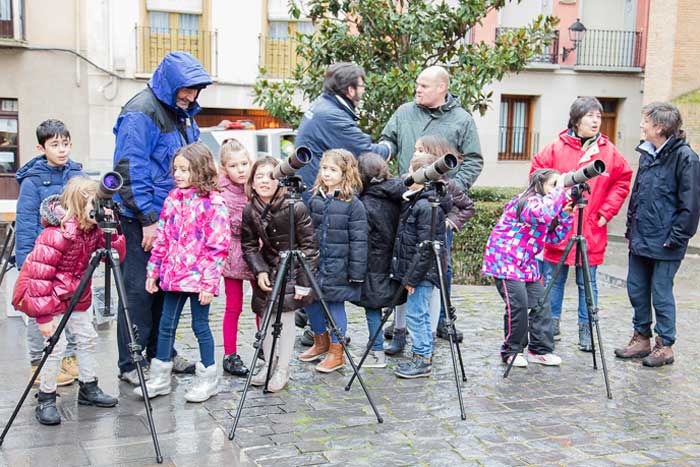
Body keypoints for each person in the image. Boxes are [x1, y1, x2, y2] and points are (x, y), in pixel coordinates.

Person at [113, 51, 212, 384]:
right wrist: (148, 218)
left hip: (172, 216)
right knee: (140, 290)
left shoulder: (182, 114)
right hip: (144, 218)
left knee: (165, 287)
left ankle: (160, 353)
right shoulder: (141, 111)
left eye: (196, 90)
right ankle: (132, 361)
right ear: (171, 85)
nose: (191, 96)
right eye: (187, 89)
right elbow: (130, 169)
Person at [380, 65, 483, 341]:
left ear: (442, 88)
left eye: (424, 85)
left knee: (439, 268)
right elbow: (387, 140)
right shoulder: (404, 112)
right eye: (417, 84)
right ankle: (402, 323)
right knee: (402, 262)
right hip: (406, 201)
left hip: (437, 207)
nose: (418, 89)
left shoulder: (461, 119)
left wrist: (449, 192)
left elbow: (474, 159)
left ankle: (442, 320)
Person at [12, 177, 126, 425]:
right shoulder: (55, 235)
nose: (98, 209)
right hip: (52, 299)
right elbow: (40, 277)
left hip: (78, 296)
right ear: (79, 205)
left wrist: (112, 231)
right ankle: (46, 397)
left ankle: (89, 386)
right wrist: (43, 318)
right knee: (55, 347)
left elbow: (115, 256)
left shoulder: (94, 231)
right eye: (94, 205)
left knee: (87, 338)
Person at [530, 96, 632, 351]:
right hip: (559, 227)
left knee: (588, 283)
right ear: (576, 120)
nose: (596, 120)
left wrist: (606, 212)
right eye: (590, 116)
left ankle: (587, 332)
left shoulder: (608, 151)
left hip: (591, 228)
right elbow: (536, 175)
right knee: (552, 279)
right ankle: (549, 327)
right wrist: (549, 208)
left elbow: (622, 181)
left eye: (599, 116)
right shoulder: (555, 148)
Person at [134, 143, 229, 403]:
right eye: (176, 169)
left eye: (185, 170)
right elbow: (162, 238)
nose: (178, 174)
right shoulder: (173, 199)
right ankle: (161, 377)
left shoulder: (214, 204)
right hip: (174, 278)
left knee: (200, 326)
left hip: (199, 280)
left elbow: (217, 247)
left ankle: (208, 378)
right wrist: (153, 272)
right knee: (166, 325)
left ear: (200, 170)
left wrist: (209, 285)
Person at [615, 102, 700, 367]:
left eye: (645, 122)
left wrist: (675, 238)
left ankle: (665, 345)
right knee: (637, 289)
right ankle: (641, 339)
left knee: (661, 293)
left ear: (660, 127)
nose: (641, 125)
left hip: (666, 242)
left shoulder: (686, 158)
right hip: (641, 237)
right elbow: (637, 195)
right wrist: (631, 228)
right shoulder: (647, 153)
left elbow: (691, 205)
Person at [15, 119, 84, 387]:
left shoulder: (77, 174)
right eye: (55, 145)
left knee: (69, 306)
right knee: (38, 308)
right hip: (42, 257)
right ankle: (37, 363)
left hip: (70, 257)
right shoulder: (32, 182)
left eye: (65, 143)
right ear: (41, 147)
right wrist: (27, 263)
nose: (62, 149)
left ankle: (68, 356)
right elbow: (25, 223)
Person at [241, 157, 318, 392]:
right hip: (268, 267)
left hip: (293, 268)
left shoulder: (295, 206)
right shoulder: (250, 209)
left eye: (270, 175)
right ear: (252, 183)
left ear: (280, 180)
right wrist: (259, 269)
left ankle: (283, 368)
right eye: (259, 176)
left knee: (285, 318)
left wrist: (304, 283)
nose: (265, 181)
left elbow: (310, 247)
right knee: (265, 316)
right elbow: (249, 245)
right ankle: (269, 362)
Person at [482, 169, 573, 367]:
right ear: (539, 184)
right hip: (505, 261)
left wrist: (566, 215)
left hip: (527, 264)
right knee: (518, 306)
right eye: (552, 184)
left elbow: (554, 239)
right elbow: (542, 212)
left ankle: (539, 351)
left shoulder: (548, 204)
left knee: (541, 304)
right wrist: (560, 189)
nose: (556, 189)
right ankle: (511, 351)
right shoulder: (525, 202)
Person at [299, 149, 368, 373]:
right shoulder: (316, 199)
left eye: (333, 169)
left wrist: (356, 273)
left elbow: (359, 240)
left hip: (340, 266)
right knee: (311, 302)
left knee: (335, 305)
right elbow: (308, 231)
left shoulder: (353, 205)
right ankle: (321, 342)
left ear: (345, 173)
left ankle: (337, 351)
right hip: (317, 263)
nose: (327, 173)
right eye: (324, 168)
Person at [390, 152, 451, 379]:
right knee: (419, 313)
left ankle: (422, 357)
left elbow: (425, 247)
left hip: (422, 273)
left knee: (417, 315)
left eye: (410, 169)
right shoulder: (416, 201)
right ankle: (422, 355)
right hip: (418, 270)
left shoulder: (426, 206)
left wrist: (412, 278)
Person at [295, 62, 391, 198]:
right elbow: (366, 153)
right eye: (362, 86)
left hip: (312, 191)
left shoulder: (322, 105)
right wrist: (389, 146)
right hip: (318, 197)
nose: (363, 91)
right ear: (351, 90)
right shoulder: (332, 116)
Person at [355, 152, 406, 368]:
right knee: (398, 303)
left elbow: (363, 237)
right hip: (396, 258)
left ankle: (376, 351)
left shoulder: (366, 202)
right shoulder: (400, 194)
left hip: (374, 261)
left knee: (372, 307)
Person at [218, 139, 255, 377]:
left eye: (244, 163)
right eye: (234, 165)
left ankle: (265, 347)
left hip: (256, 254)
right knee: (234, 306)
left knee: (262, 303)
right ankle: (230, 354)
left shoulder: (257, 186)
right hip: (232, 255)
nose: (241, 170)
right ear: (224, 169)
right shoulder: (221, 194)